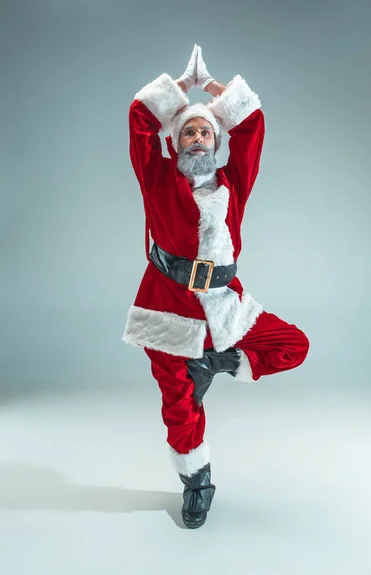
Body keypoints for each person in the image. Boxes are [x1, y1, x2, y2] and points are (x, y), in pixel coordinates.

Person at [122, 44, 310, 529]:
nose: (199, 137)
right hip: (166, 308)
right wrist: (179, 92)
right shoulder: (157, 179)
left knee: (293, 345)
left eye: (206, 130)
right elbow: (139, 123)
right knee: (179, 408)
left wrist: (223, 96)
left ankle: (214, 363)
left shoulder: (233, 183)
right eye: (190, 131)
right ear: (178, 143)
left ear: (216, 140)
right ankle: (197, 484)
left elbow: (252, 130)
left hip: (225, 304)